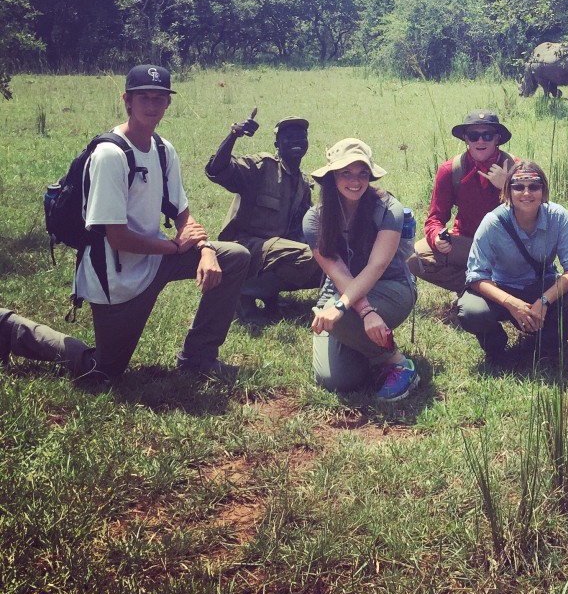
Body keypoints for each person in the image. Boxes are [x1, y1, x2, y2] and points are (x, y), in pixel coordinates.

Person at [0, 64, 248, 383]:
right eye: (143, 97)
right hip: (115, 276)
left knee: (234, 257)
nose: (151, 105)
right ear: (126, 101)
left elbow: (182, 214)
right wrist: (174, 246)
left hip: (157, 258)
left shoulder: (163, 149)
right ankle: (8, 327)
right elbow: (117, 237)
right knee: (102, 371)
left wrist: (206, 249)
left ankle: (198, 357)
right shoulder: (110, 155)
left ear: (168, 104)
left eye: (159, 98)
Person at [305, 138, 419, 401]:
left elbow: (377, 266)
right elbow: (338, 274)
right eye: (346, 173)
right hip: (342, 287)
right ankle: (368, 348)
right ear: (332, 175)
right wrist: (362, 310)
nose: (355, 181)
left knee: (339, 316)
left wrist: (356, 310)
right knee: (337, 380)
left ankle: (397, 361)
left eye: (362, 173)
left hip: (391, 286)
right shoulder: (314, 218)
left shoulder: (390, 208)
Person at [457, 160, 568, 362]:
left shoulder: (558, 216)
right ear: (508, 192)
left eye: (534, 187)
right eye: (518, 187)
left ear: (544, 190)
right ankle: (496, 350)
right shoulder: (493, 222)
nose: (526, 193)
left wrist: (545, 300)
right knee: (471, 310)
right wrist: (512, 303)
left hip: (543, 285)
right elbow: (476, 276)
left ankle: (548, 344)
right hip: (504, 288)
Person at [206, 113, 322, 324]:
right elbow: (218, 169)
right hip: (244, 249)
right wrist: (234, 135)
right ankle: (242, 293)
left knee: (329, 259)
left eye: (301, 136)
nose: (296, 141)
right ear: (277, 143)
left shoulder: (303, 183)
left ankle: (270, 295)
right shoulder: (262, 167)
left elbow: (307, 225)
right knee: (312, 258)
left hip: (273, 250)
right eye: (289, 136)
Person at [409, 110, 516, 295]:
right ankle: (476, 289)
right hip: (467, 244)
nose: (480, 141)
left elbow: (534, 217)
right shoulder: (451, 169)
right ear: (466, 139)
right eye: (474, 136)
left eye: (487, 135)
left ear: (497, 139)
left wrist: (505, 188)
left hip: (507, 248)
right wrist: (436, 238)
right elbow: (435, 218)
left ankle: (499, 289)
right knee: (414, 257)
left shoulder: (515, 168)